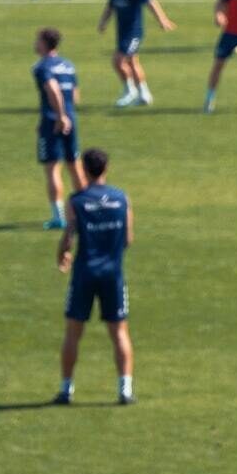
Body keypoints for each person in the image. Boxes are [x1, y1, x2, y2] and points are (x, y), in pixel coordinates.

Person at [54, 148, 136, 406]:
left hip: (84, 274)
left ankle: (66, 389)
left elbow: (69, 234)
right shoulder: (121, 199)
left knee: (73, 332)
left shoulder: (76, 201)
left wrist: (63, 254)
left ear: (84, 170)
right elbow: (128, 239)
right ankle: (125, 389)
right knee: (119, 332)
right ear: (106, 169)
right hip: (112, 273)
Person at [98, 0, 176, 108]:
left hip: (134, 31)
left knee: (118, 61)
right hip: (122, 31)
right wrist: (103, 22)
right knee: (133, 62)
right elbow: (110, 6)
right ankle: (144, 94)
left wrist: (162, 20)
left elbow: (150, 1)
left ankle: (130, 91)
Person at [33, 28, 86, 229]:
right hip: (71, 119)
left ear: (45, 43)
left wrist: (58, 116)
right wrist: (67, 114)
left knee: (52, 168)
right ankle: (84, 211)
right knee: (75, 165)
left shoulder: (41, 67)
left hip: (53, 120)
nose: (35, 43)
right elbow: (75, 94)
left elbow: (53, 89)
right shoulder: (68, 65)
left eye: (37, 40)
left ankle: (59, 217)